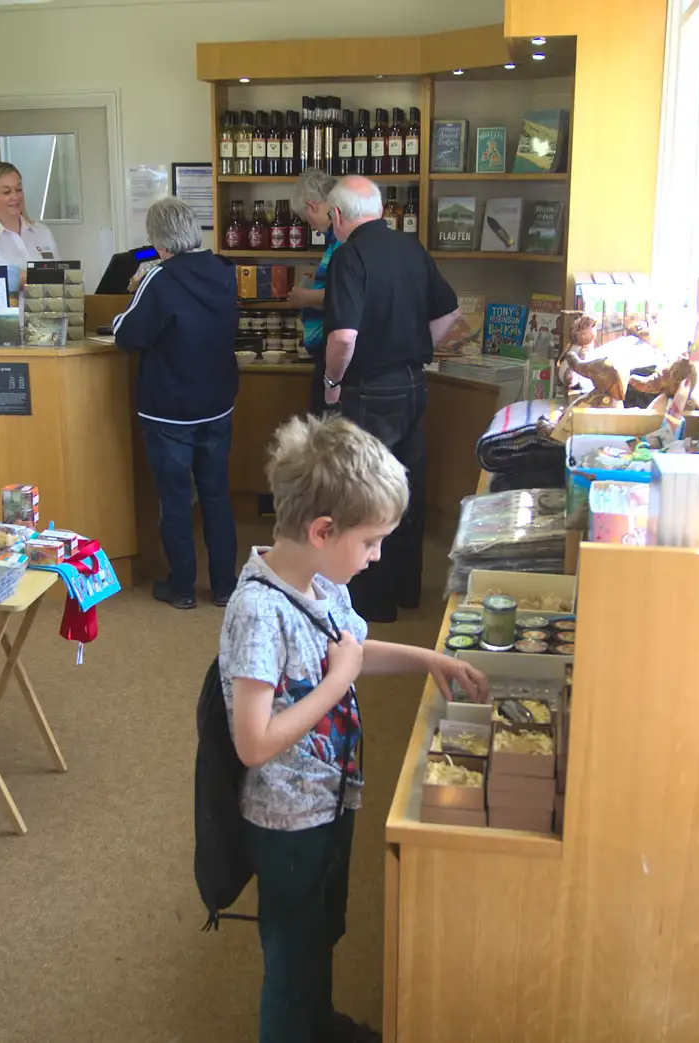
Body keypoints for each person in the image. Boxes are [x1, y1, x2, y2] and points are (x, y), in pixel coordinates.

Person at [219, 414, 488, 1043]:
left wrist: (429, 658)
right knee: (292, 955)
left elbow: (354, 652)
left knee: (322, 931)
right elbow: (253, 742)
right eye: (370, 543)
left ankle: (316, 1022)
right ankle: (294, 1026)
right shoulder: (259, 611)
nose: (377, 557)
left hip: (331, 795)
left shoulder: (321, 580)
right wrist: (338, 681)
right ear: (322, 530)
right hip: (286, 817)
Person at [319, 175, 461, 623]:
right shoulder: (412, 249)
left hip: (368, 390)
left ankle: (374, 602)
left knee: (365, 493)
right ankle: (408, 589)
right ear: (379, 210)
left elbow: (343, 336)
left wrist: (331, 380)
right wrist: (418, 345)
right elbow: (450, 311)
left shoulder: (348, 257)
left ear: (338, 216)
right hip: (414, 385)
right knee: (406, 490)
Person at [112, 196, 239, 609]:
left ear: (160, 243)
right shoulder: (223, 271)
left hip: (169, 409)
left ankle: (182, 587)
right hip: (217, 402)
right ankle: (224, 586)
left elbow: (127, 334)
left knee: (175, 498)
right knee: (217, 495)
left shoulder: (160, 278)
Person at [284, 168, 339, 415]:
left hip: (335, 361)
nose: (313, 228)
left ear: (311, 206)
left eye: (307, 219)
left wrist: (305, 297)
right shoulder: (335, 240)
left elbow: (346, 296)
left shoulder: (342, 241)